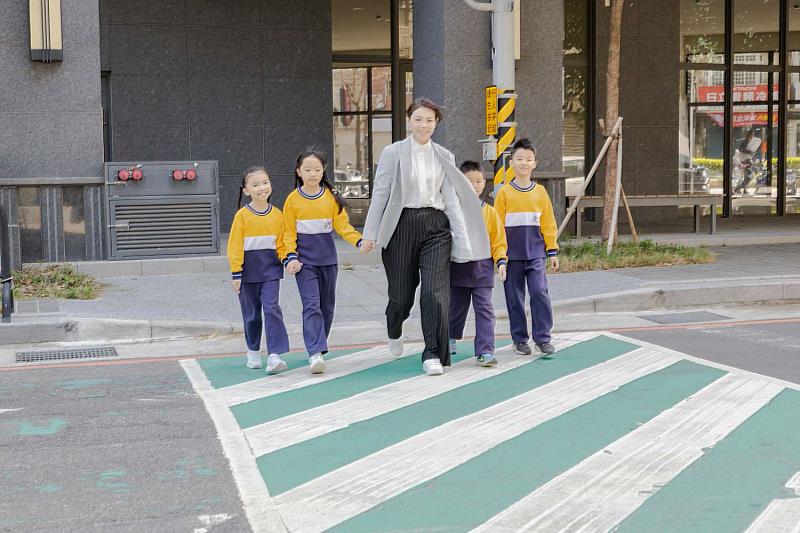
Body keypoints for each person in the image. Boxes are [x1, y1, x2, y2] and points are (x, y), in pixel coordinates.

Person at [360, 98, 491, 376]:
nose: (423, 125)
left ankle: (433, 353)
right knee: (401, 295)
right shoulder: (392, 153)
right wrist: (369, 234)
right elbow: (381, 193)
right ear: (409, 120)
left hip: (436, 227)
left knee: (434, 292)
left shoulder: (444, 155)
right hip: (401, 226)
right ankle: (394, 326)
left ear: (436, 123)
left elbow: (452, 201)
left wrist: (463, 242)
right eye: (418, 119)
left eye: (429, 120)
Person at [283, 150, 366, 374]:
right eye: (307, 170)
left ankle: (319, 344)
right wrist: (290, 257)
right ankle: (315, 352)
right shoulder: (292, 200)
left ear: (323, 171)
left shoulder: (330, 197)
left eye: (317, 169)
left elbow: (343, 226)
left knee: (326, 307)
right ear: (298, 172)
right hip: (304, 263)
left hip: (328, 261)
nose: (312, 174)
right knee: (311, 305)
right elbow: (288, 233)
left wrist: (359, 242)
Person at [494, 138, 559, 356]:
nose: (524, 163)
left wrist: (552, 250)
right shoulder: (504, 193)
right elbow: (498, 228)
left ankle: (543, 338)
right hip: (512, 257)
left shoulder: (540, 192)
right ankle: (520, 339)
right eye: (519, 159)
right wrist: (500, 257)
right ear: (511, 163)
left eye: (528, 159)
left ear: (535, 163)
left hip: (536, 255)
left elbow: (548, 223)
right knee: (514, 298)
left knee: (540, 292)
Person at [227, 166, 290, 374]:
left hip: (271, 272)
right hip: (247, 274)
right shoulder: (242, 216)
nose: (262, 188)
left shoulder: (278, 215)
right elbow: (235, 246)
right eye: (255, 185)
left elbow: (282, 243)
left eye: (265, 182)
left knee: (271, 308)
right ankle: (253, 350)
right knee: (252, 314)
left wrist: (288, 259)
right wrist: (236, 273)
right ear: (246, 190)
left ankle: (274, 355)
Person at [448, 161, 508, 367]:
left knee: (485, 309)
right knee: (456, 309)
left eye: (479, 181)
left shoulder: (489, 212)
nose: (474, 185)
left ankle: (485, 350)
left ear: (484, 183)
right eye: (469, 181)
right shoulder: (452, 211)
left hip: (482, 270)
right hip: (457, 268)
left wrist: (501, 261)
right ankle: (449, 337)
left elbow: (498, 240)